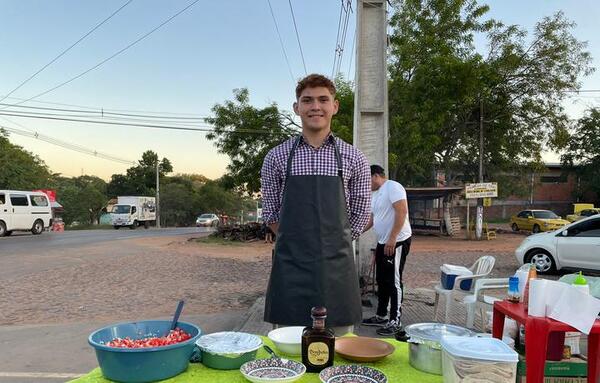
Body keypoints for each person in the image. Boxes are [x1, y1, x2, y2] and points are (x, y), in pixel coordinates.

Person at [261, 74, 371, 335]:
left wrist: (336, 240)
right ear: (297, 108)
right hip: (290, 268)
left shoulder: (354, 158)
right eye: (307, 100)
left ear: (335, 106)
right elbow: (271, 212)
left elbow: (361, 213)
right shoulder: (275, 157)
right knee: (288, 349)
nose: (315, 106)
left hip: (338, 270)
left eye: (323, 99)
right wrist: (296, 241)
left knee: (340, 347)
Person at [361, 164, 412, 336]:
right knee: (382, 279)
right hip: (384, 242)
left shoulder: (393, 187)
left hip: (397, 241)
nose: (366, 184)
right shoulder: (375, 195)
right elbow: (373, 219)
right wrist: (355, 233)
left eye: (366, 180)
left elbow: (402, 211)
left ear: (375, 176)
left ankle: (395, 321)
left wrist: (392, 238)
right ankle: (381, 315)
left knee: (393, 281)